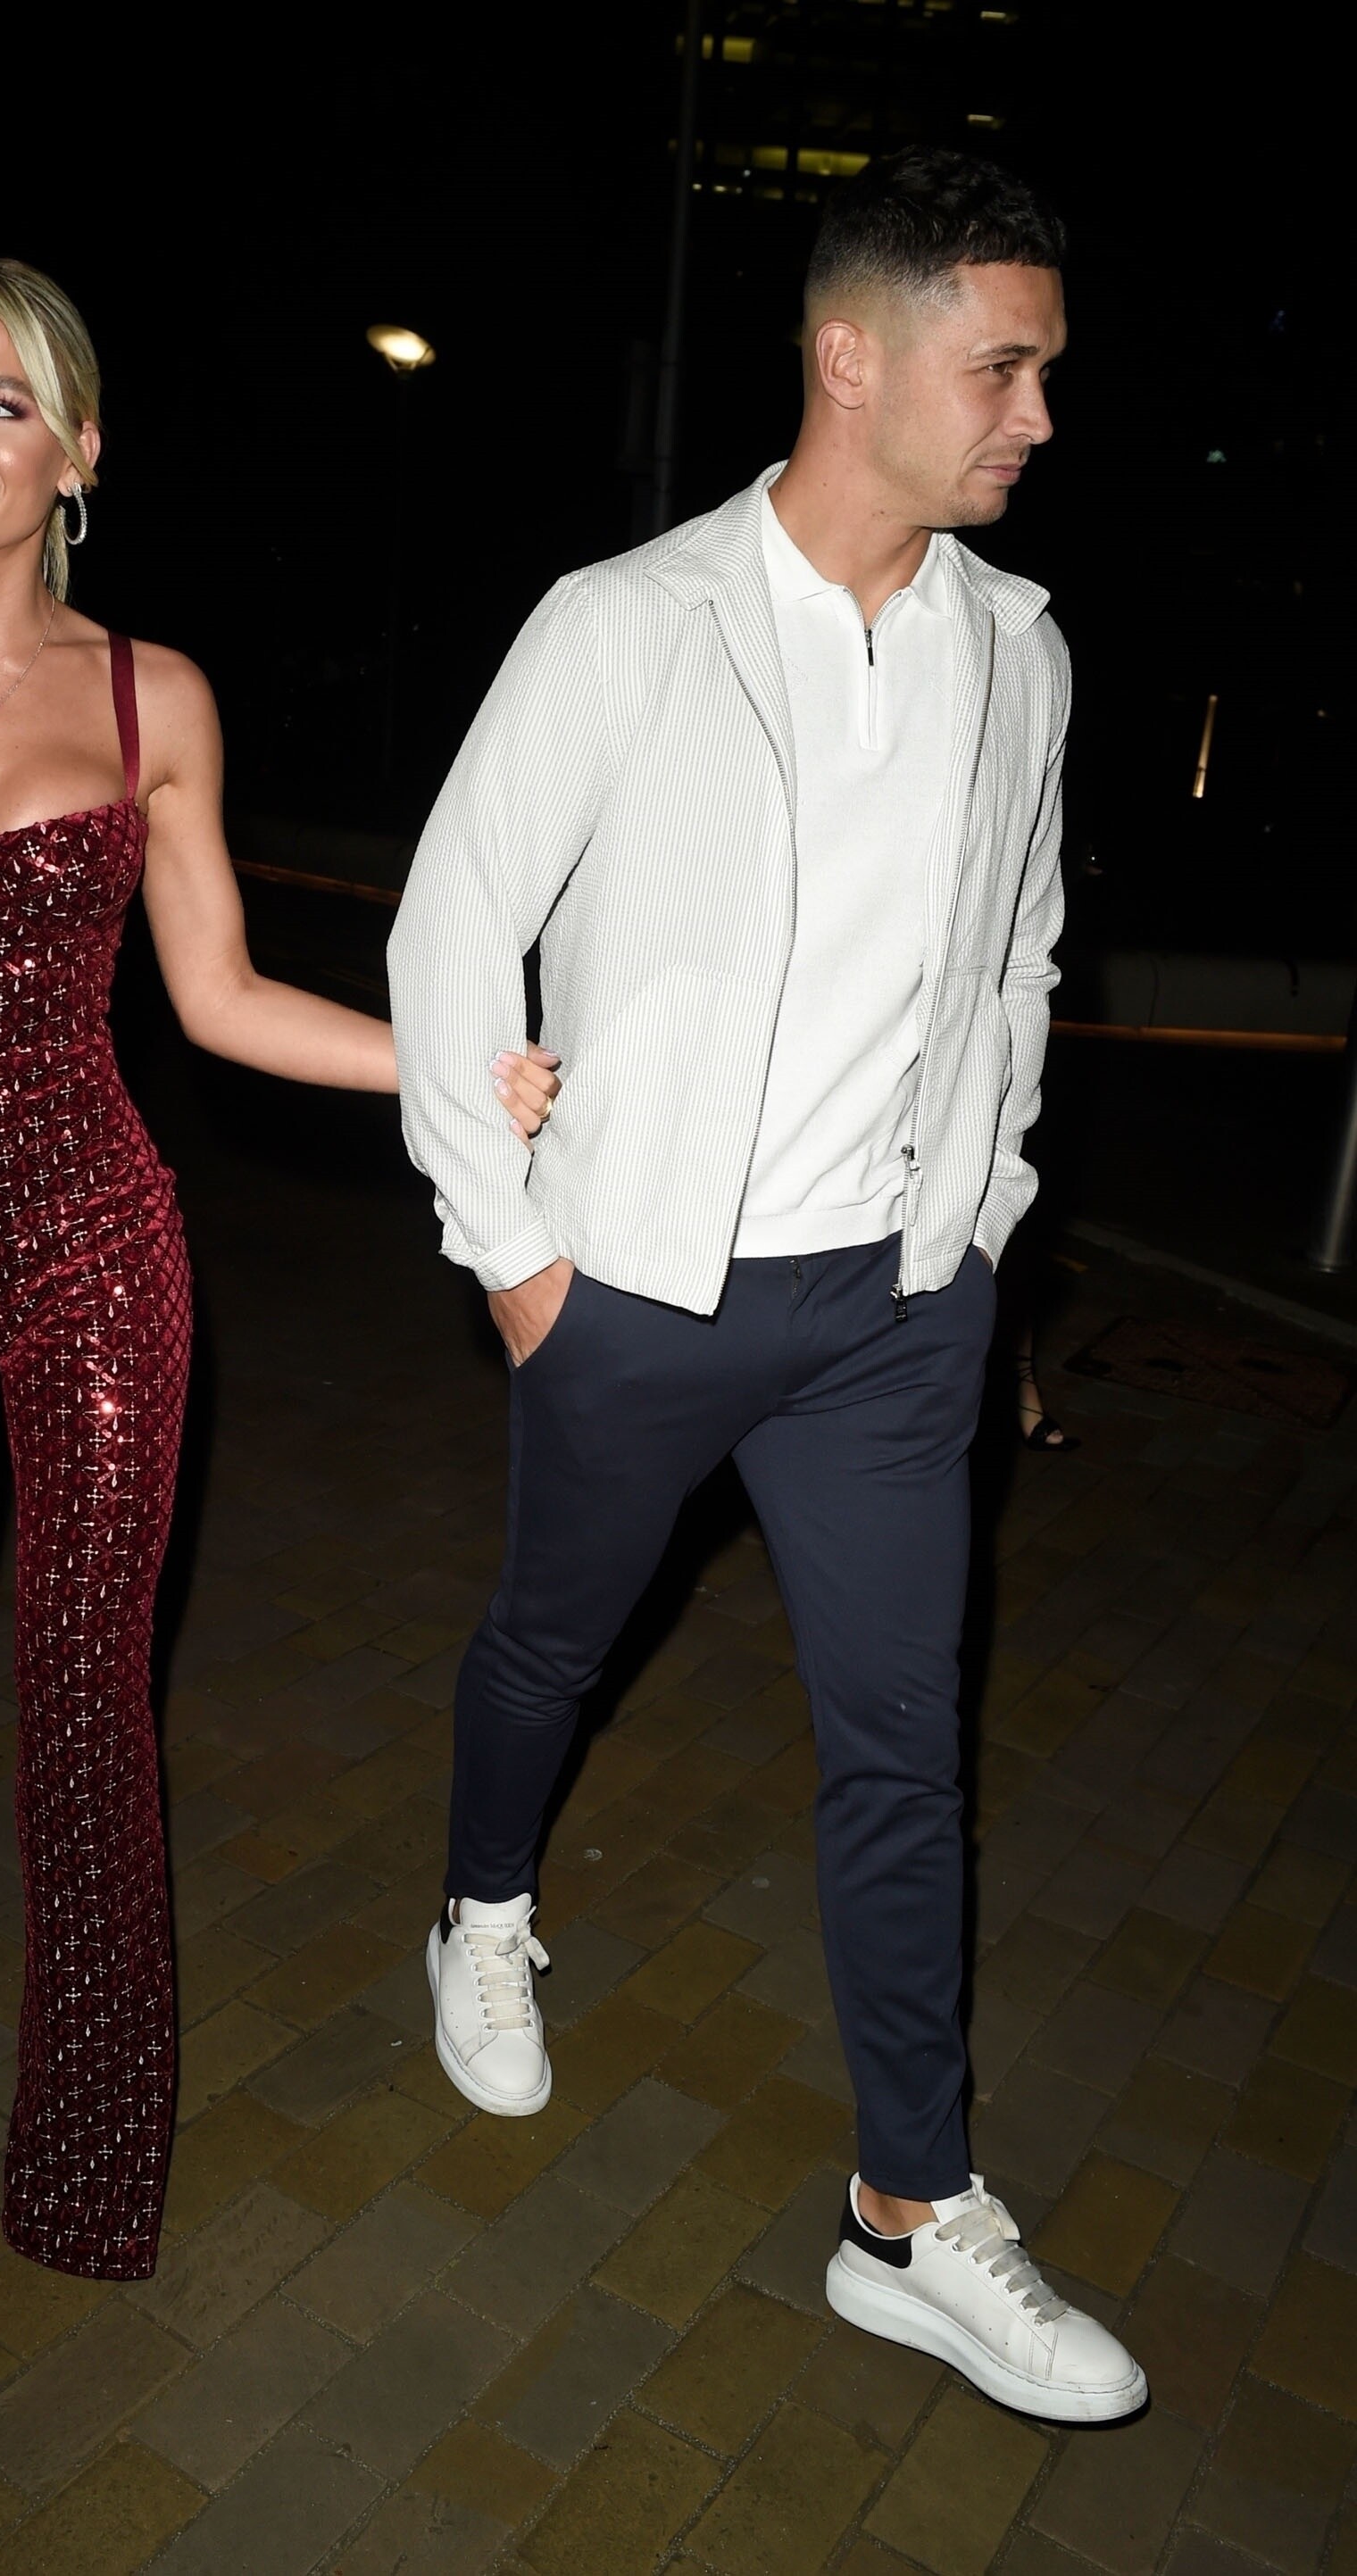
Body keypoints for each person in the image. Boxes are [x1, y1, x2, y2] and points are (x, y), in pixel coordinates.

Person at [0, 258, 561, 2281]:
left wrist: (450, 1069)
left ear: (76, 449)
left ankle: (85, 2162)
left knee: (81, 1685)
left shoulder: (157, 698)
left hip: (93, 1233)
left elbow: (218, 998)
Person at [389, 151, 1145, 2422]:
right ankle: (481, 1909)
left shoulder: (1018, 650)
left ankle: (906, 2214)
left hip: (895, 1314)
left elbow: (1017, 958)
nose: (1033, 415)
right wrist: (518, 1259)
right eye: (997, 368)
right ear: (848, 358)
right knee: (552, 1642)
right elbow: (450, 927)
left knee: (905, 1746)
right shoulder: (628, 623)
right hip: (635, 1287)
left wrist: (980, 1217)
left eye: (1039, 372)